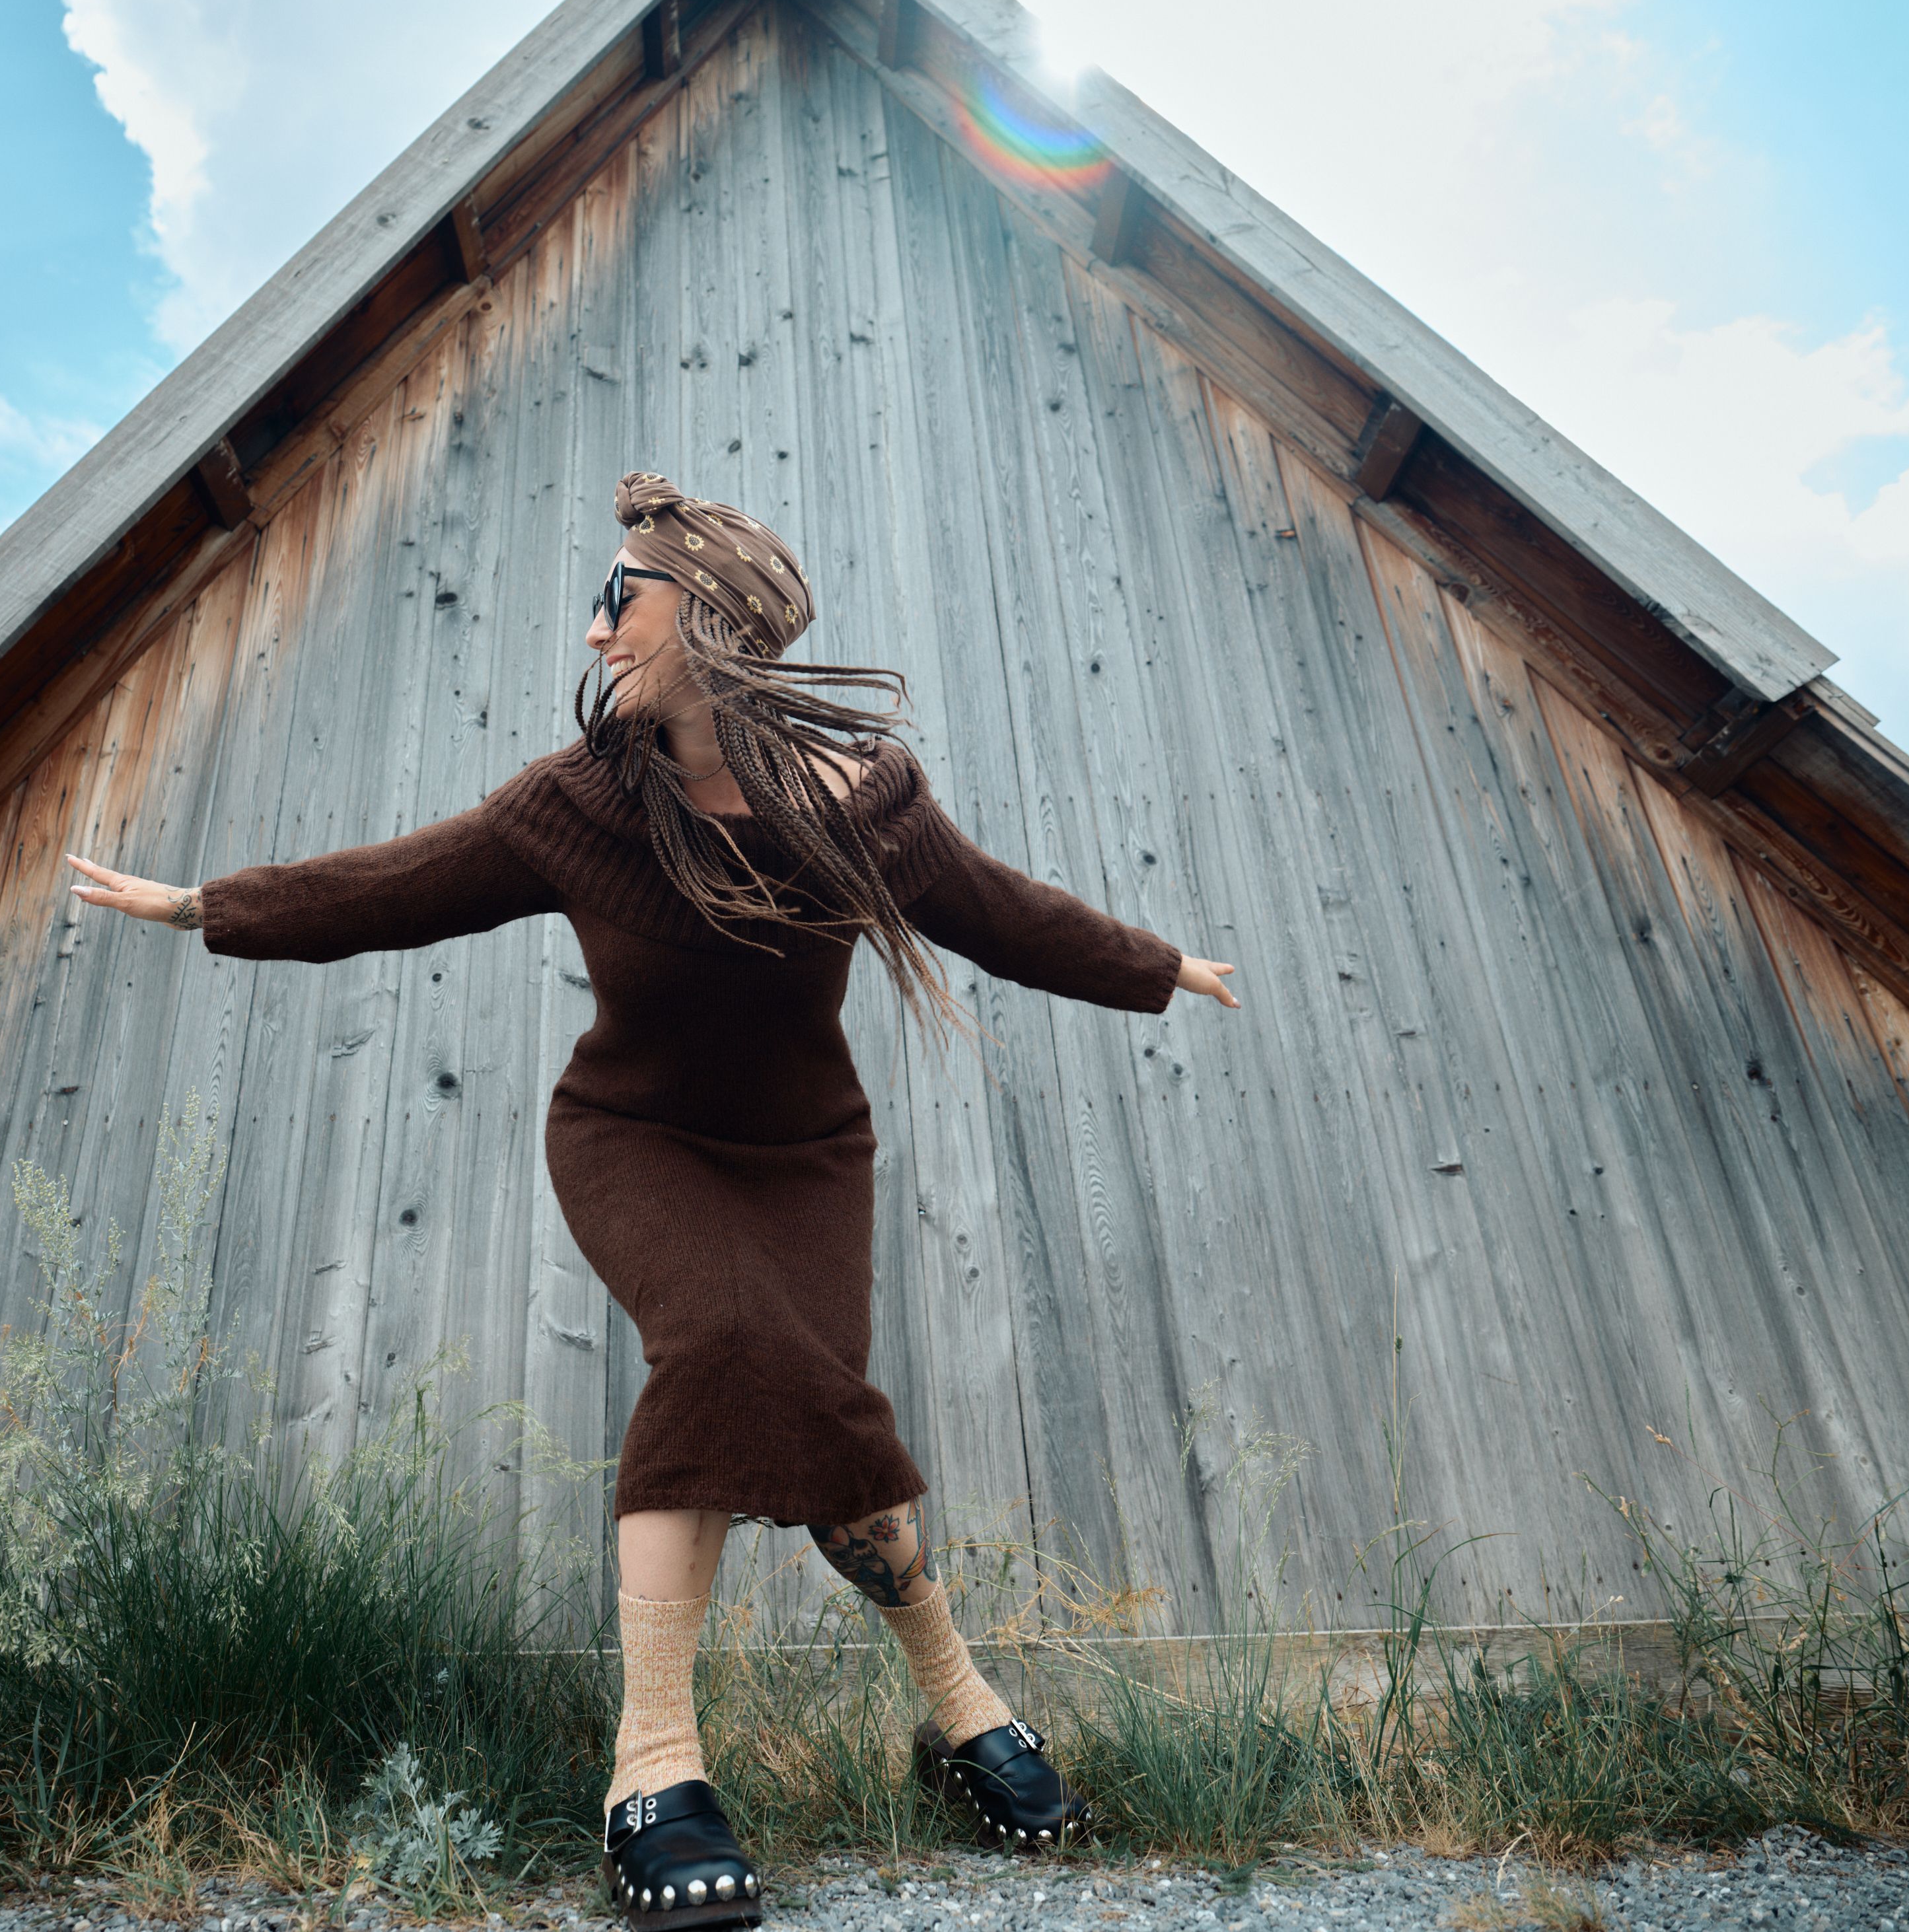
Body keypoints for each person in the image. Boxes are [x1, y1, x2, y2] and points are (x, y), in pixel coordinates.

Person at [69, 471, 1240, 1928]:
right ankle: (651, 1769)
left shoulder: (863, 807)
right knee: (724, 1351)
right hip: (633, 1138)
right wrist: (204, 907)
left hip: (806, 1156)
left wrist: (1157, 968)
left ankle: (956, 1708)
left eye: (621, 600)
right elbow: (396, 884)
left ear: (719, 622)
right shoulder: (579, 807)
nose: (594, 627)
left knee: (819, 1415)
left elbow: (1003, 915)